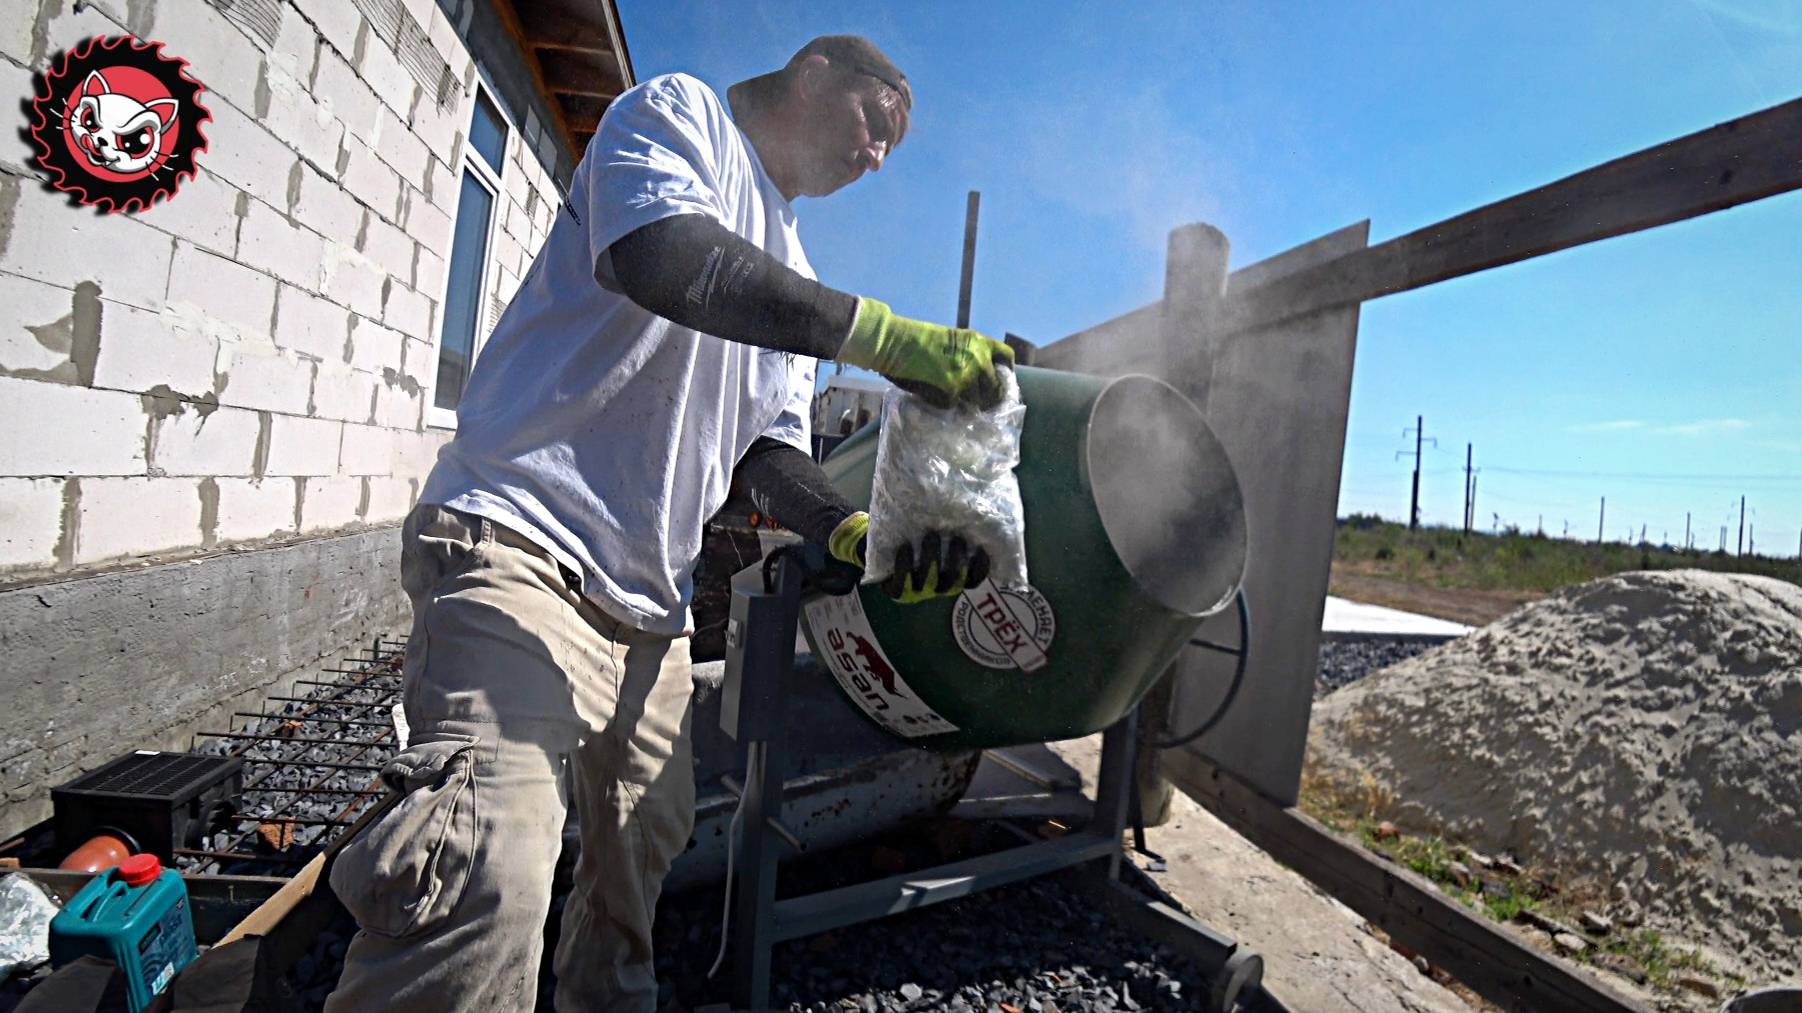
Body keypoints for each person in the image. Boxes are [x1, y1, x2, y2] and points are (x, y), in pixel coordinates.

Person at [324, 35, 1012, 1013]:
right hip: (517, 546)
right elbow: (661, 256)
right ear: (814, 73)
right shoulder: (678, 117)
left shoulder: (795, 262)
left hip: (647, 614)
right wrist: (881, 335)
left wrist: (855, 535)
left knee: (635, 869)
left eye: (891, 150)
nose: (874, 157)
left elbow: (764, 460)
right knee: (483, 864)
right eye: (874, 123)